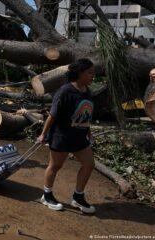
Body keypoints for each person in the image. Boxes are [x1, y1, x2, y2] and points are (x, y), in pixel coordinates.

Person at [37, 58, 96, 214]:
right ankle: (47, 195)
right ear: (79, 73)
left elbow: (86, 114)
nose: (93, 76)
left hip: (80, 137)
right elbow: (52, 115)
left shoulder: (88, 92)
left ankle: (78, 197)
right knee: (55, 166)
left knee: (89, 164)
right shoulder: (65, 91)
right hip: (61, 136)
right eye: (90, 73)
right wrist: (43, 134)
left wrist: (89, 132)